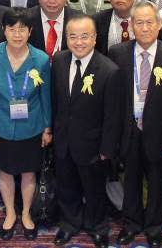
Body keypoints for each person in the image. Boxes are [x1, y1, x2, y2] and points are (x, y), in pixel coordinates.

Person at [110, 1, 162, 248]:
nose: (144, 28)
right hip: (129, 131)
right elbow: (113, 100)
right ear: (131, 26)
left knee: (157, 181)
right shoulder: (118, 53)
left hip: (159, 133)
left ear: (159, 24)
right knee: (130, 179)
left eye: (149, 22)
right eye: (139, 23)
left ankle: (155, 226)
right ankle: (132, 223)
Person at [50, 13, 122, 248]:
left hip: (93, 145)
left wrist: (107, 149)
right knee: (66, 185)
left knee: (94, 190)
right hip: (63, 140)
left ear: (94, 38)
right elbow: (55, 101)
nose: (78, 42)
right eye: (73, 37)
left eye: (84, 36)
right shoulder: (59, 61)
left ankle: (97, 226)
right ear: (66, 38)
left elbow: (112, 116)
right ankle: (69, 223)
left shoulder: (109, 70)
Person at [0, 8, 52, 240]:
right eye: (12, 29)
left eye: (22, 29)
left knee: (29, 172)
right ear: (4, 30)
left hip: (31, 125)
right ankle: (10, 212)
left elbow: (45, 96)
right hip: (1, 124)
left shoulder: (41, 59)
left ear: (30, 31)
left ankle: (26, 213)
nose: (17, 34)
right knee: (5, 171)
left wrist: (47, 127)